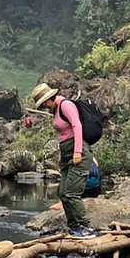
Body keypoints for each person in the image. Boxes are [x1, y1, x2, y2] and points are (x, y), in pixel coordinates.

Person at [31, 82, 95, 239]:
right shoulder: (55, 109)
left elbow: (77, 126)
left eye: (44, 103)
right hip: (67, 156)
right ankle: (74, 228)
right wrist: (62, 157)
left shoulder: (66, 105)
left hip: (78, 154)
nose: (45, 106)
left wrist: (77, 151)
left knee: (72, 193)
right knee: (63, 193)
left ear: (49, 99)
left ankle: (86, 227)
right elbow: (64, 135)